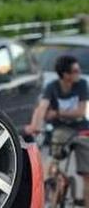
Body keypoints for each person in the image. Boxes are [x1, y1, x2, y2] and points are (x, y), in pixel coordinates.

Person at [26, 55, 89, 207]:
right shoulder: (52, 87)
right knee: (51, 163)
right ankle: (51, 187)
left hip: (82, 130)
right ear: (65, 74)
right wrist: (35, 126)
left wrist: (56, 113)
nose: (78, 73)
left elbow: (81, 112)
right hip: (61, 129)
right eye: (75, 70)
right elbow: (41, 108)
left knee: (87, 173)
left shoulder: (81, 84)